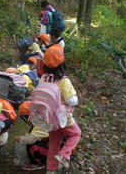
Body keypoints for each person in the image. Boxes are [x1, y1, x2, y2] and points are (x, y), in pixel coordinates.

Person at [41, 44, 82, 174]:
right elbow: (71, 101)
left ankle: (50, 169)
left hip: (48, 117)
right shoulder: (63, 81)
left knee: (54, 142)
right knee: (76, 133)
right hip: (62, 117)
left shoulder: (44, 78)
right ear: (62, 61)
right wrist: (75, 97)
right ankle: (64, 155)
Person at [14, 101, 49, 171]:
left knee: (32, 145)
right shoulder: (46, 116)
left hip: (54, 153)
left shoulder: (40, 125)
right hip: (58, 146)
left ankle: (37, 163)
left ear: (28, 120)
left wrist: (20, 139)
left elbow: (30, 139)